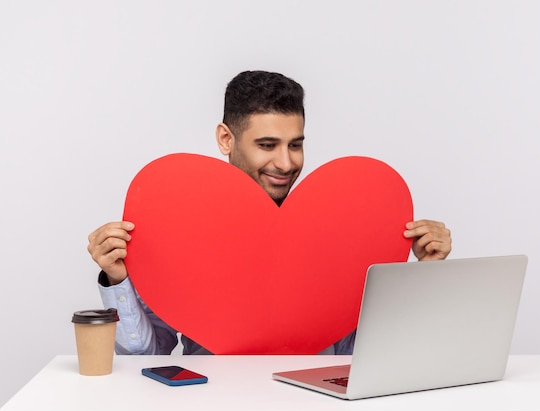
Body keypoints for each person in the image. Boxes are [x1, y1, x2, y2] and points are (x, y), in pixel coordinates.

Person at [87, 70, 452, 355]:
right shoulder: (179, 226)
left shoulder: (337, 226)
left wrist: (427, 274)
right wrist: (118, 279)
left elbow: (359, 353)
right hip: (213, 403)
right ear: (226, 139)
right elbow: (148, 355)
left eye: (295, 145)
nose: (285, 162)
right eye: (267, 145)